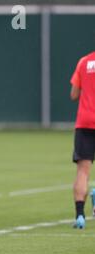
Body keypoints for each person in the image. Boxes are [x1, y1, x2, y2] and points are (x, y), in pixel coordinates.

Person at [70, 50, 95, 229]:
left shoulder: (84, 61)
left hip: (85, 122)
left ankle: (80, 215)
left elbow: (74, 95)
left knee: (83, 171)